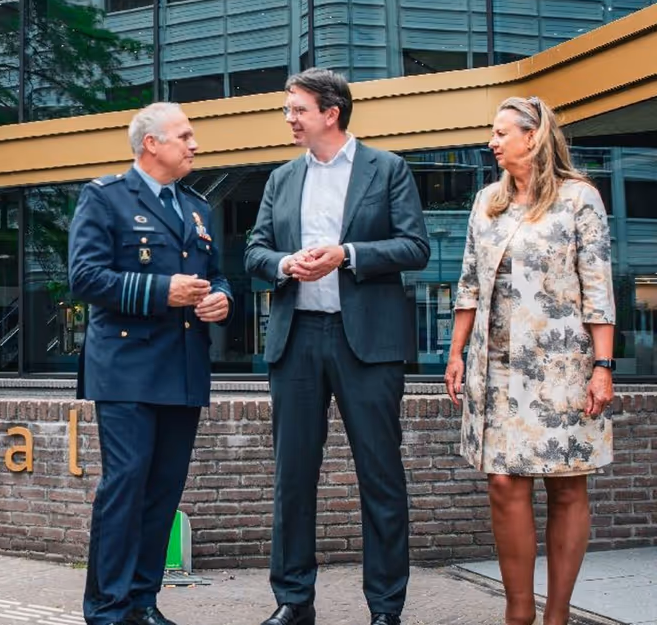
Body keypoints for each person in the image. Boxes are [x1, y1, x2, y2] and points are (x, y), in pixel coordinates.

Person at [244, 68, 429, 625]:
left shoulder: (388, 169)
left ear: (331, 112)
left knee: (381, 476)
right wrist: (283, 263)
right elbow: (255, 250)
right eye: (287, 109)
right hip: (296, 339)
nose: (289, 118)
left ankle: (386, 609)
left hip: (368, 346)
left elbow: (414, 245)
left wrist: (347, 254)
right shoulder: (280, 178)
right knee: (292, 478)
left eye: (296, 108)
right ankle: (294, 602)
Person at [444, 96, 615, 625]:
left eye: (501, 132)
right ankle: (518, 610)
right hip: (494, 367)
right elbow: (469, 282)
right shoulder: (487, 201)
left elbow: (598, 287)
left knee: (566, 482)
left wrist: (603, 367)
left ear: (533, 136)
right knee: (503, 481)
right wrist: (455, 350)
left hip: (563, 365)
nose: (492, 142)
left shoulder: (579, 199)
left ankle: (557, 613)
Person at [69, 102, 233, 625]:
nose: (195, 144)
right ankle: (107, 609)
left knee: (164, 490)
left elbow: (220, 275)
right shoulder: (106, 198)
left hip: (183, 369)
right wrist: (164, 291)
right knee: (126, 485)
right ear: (151, 144)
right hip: (126, 369)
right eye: (185, 136)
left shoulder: (199, 208)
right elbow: (86, 279)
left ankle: (143, 601)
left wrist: (221, 299)